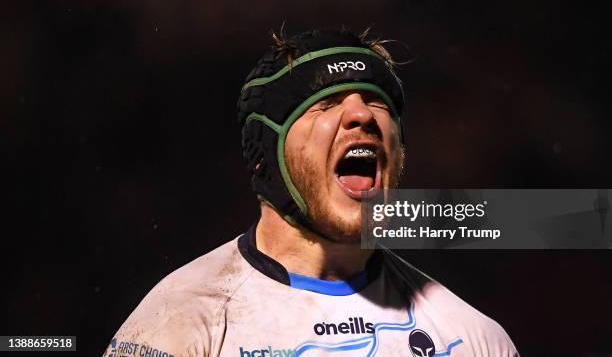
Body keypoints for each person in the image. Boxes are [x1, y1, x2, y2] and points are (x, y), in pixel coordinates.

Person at [102, 29, 518, 357]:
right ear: (266, 153)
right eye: (327, 103)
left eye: (378, 103)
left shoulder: (472, 339)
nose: (360, 115)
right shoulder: (182, 322)